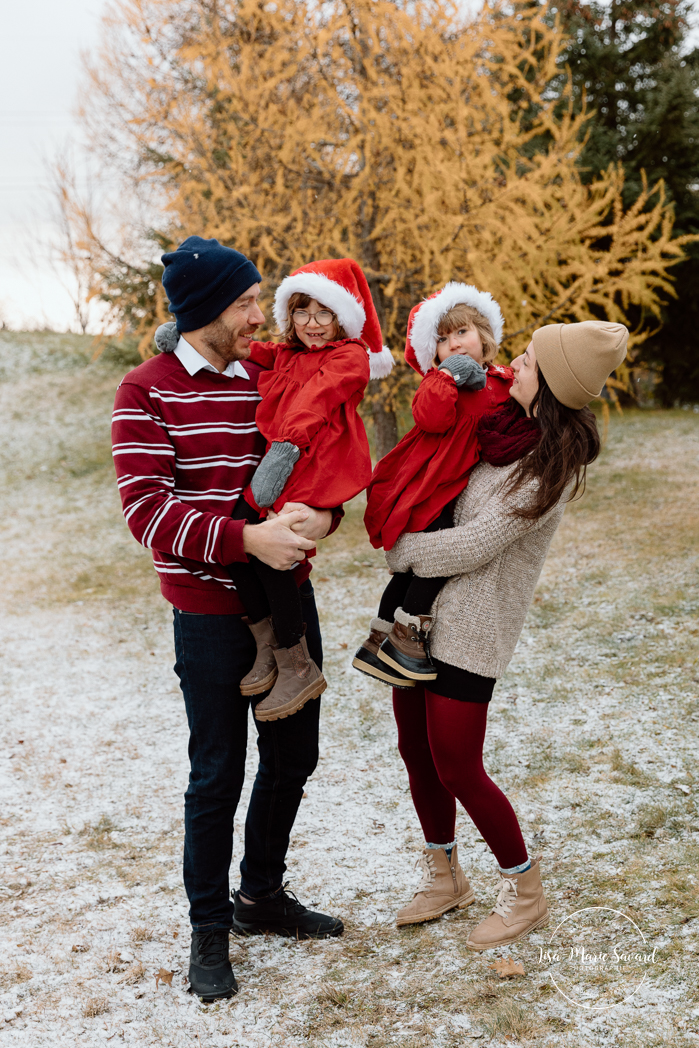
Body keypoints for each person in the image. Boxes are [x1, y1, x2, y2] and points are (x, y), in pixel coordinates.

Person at [112, 236, 345, 1003]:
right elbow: (147, 513)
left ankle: (261, 896)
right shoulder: (144, 392)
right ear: (208, 307)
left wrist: (320, 519)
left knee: (294, 759)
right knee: (217, 774)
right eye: (247, 302)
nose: (260, 315)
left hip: (288, 598)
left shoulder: (269, 379)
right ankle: (209, 930)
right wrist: (244, 537)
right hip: (208, 613)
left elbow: (314, 462)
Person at [382, 319, 628, 949]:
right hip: (418, 616)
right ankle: (444, 877)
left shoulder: (548, 467)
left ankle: (525, 891)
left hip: (472, 629)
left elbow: (479, 542)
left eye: (526, 360)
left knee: (459, 765)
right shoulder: (497, 431)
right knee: (416, 752)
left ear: (552, 383)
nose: (512, 364)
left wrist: (404, 548)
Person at [156, 258, 392, 723]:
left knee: (270, 548)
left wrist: (283, 451)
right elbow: (250, 350)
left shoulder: (348, 357)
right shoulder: (288, 353)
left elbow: (315, 402)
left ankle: (295, 660)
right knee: (243, 541)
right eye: (302, 313)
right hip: (283, 461)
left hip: (311, 462)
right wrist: (184, 336)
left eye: (325, 313)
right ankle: (268, 640)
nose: (313, 325)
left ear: (342, 317)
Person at [354, 283, 512, 687]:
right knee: (433, 558)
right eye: (442, 340)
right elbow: (432, 418)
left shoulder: (502, 380)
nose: (454, 344)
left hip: (463, 484)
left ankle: (382, 637)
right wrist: (446, 378)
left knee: (421, 565)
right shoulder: (438, 382)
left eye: (462, 333)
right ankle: (403, 637)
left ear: (484, 335)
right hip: (432, 482)